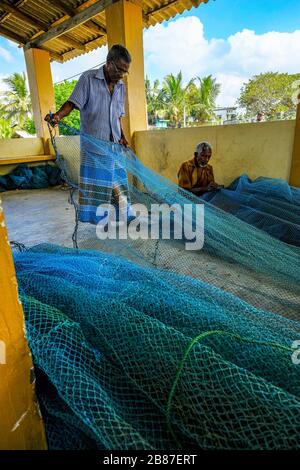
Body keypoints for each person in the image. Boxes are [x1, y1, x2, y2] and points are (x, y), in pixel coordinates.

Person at [45, 44, 134, 224]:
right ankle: (98, 219)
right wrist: (57, 117)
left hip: (114, 147)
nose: (121, 75)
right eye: (119, 70)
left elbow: (118, 115)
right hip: (94, 147)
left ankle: (125, 215)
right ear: (109, 63)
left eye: (125, 72)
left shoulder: (121, 86)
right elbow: (72, 103)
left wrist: (123, 136)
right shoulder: (88, 79)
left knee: (118, 185)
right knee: (96, 188)